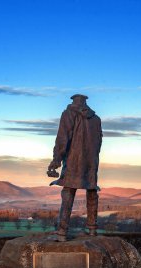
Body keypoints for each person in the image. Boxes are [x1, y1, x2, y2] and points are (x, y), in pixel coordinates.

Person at [47, 94, 103, 241]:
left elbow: (62, 138)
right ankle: (92, 229)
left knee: (68, 192)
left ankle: (62, 232)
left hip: (73, 160)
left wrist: (56, 160)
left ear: (74, 101)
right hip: (91, 161)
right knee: (91, 190)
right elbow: (99, 142)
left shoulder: (68, 113)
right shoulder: (96, 119)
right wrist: (93, 158)